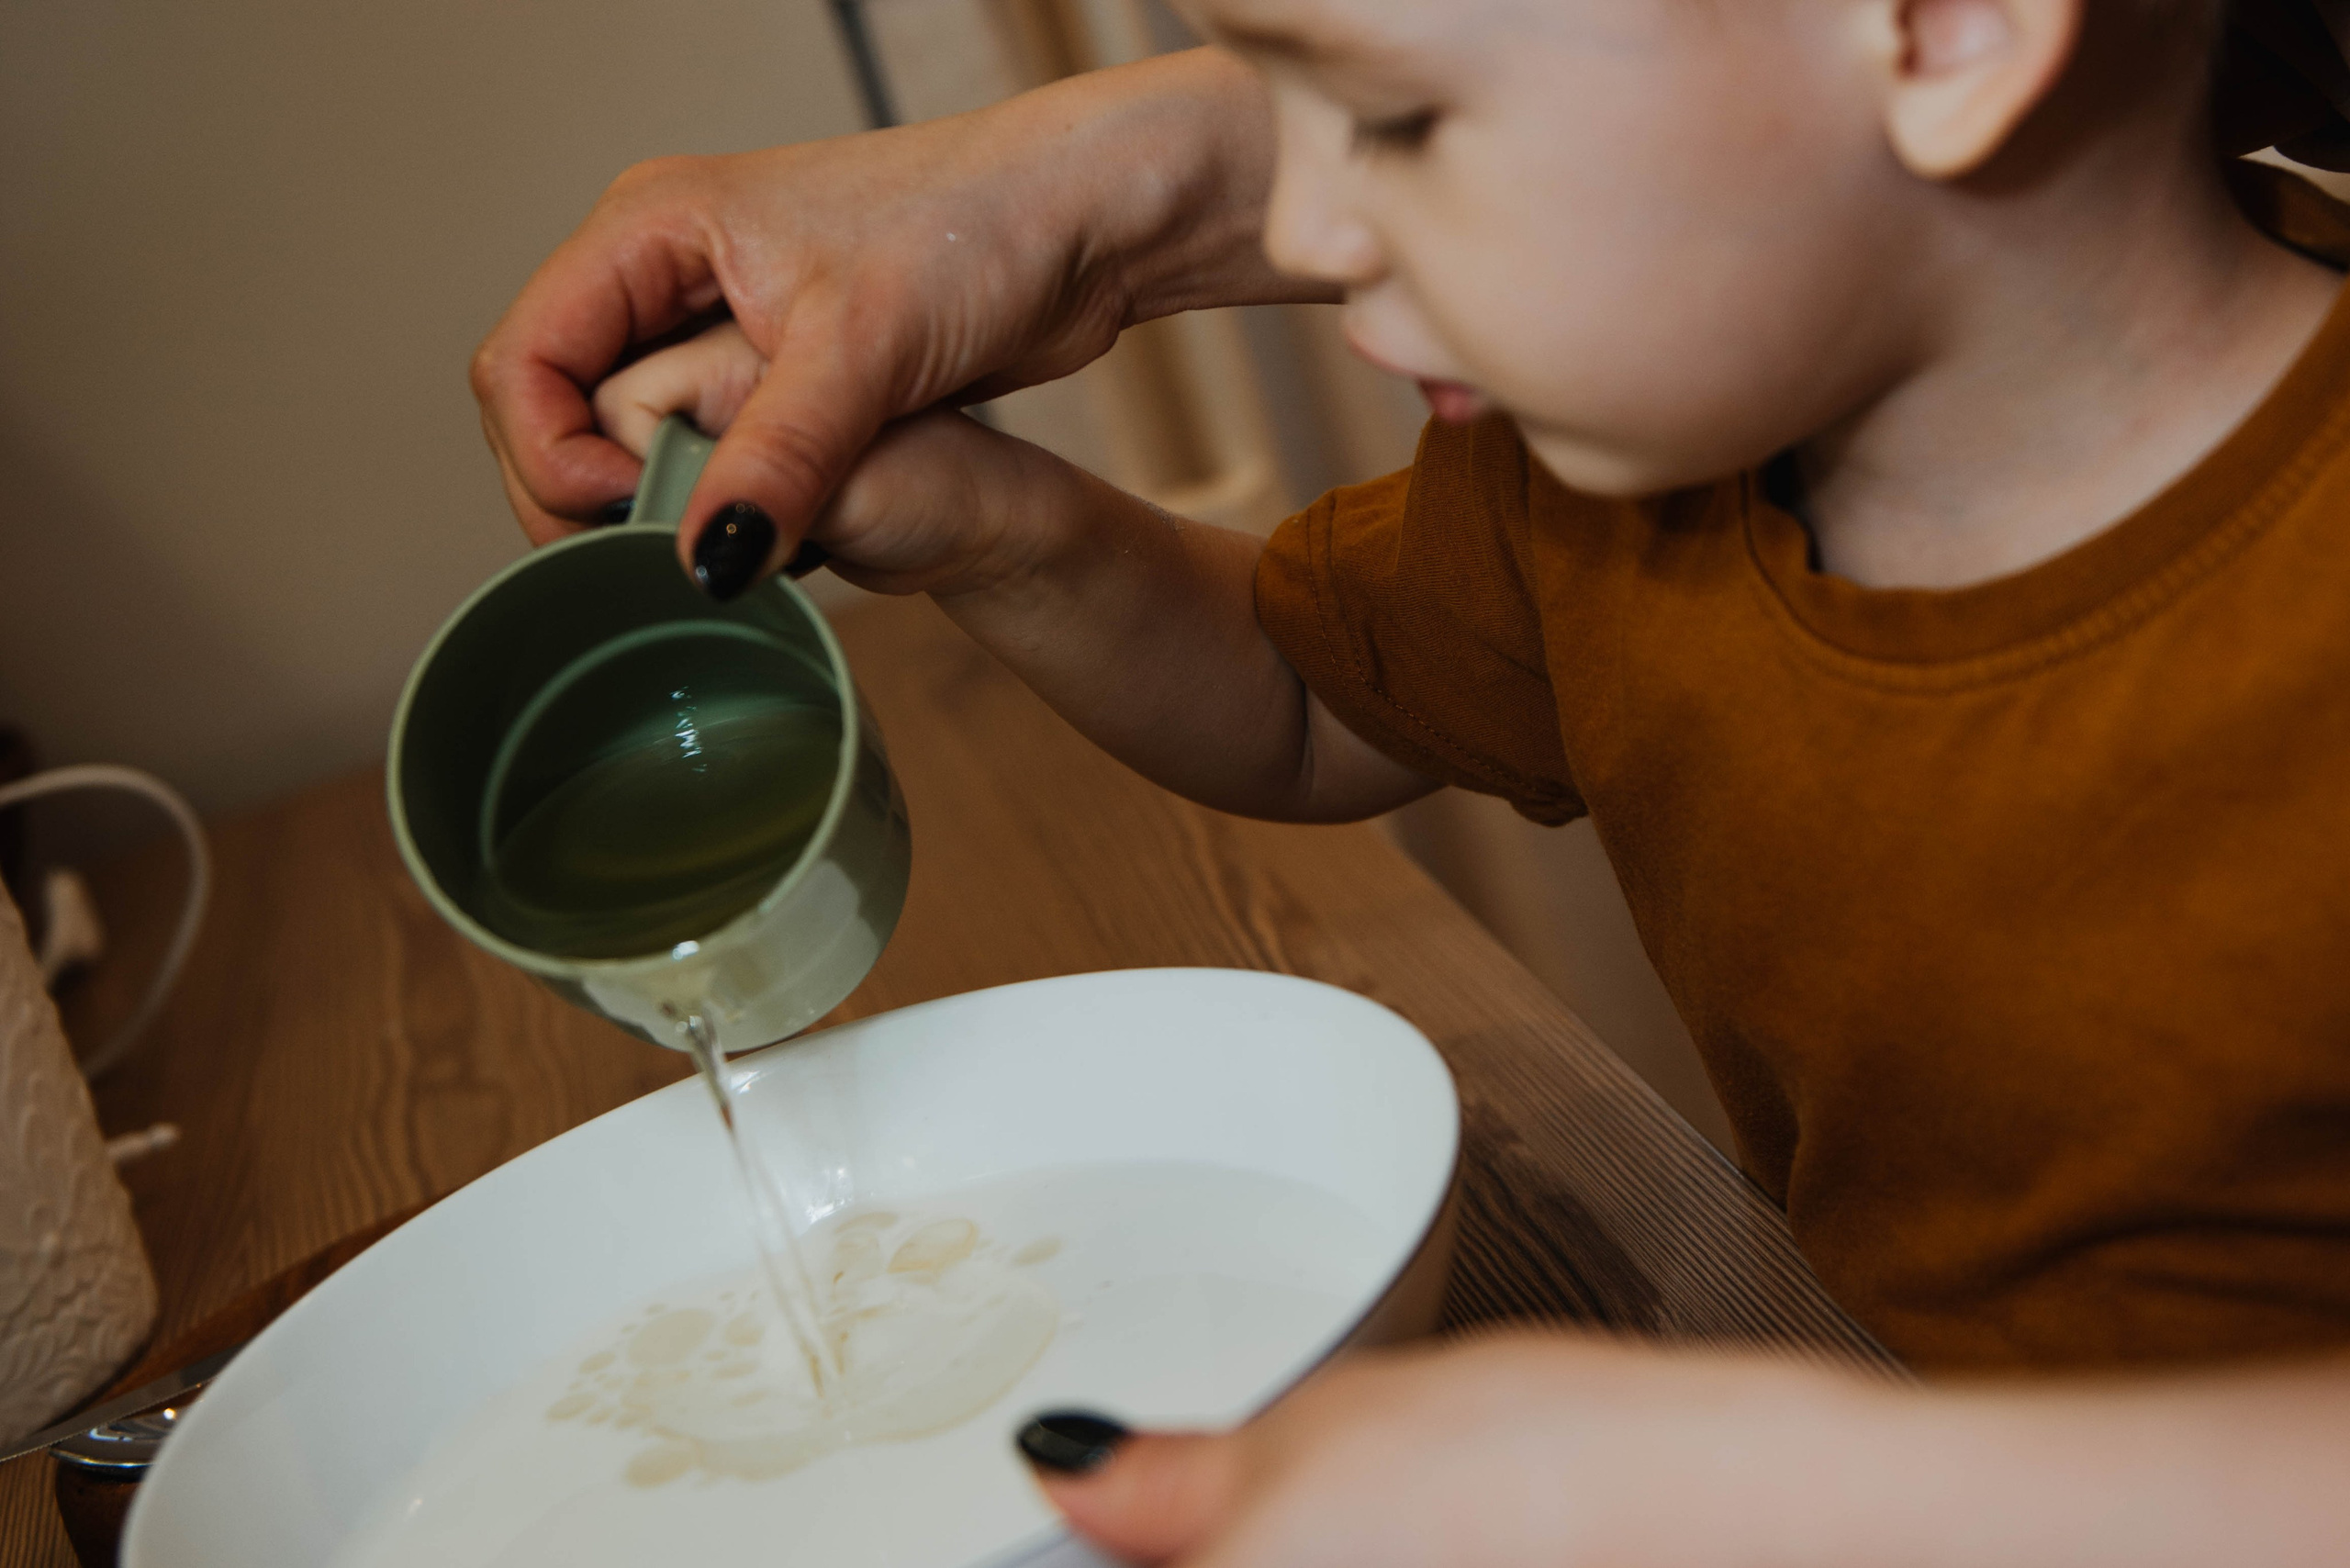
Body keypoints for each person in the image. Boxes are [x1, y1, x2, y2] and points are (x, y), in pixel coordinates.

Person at [472, 0, 2350, 1558]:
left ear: (1946, 29)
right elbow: (1304, 702)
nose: (1299, 229)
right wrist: (983, 522)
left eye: (1390, 118)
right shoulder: (1627, 478)